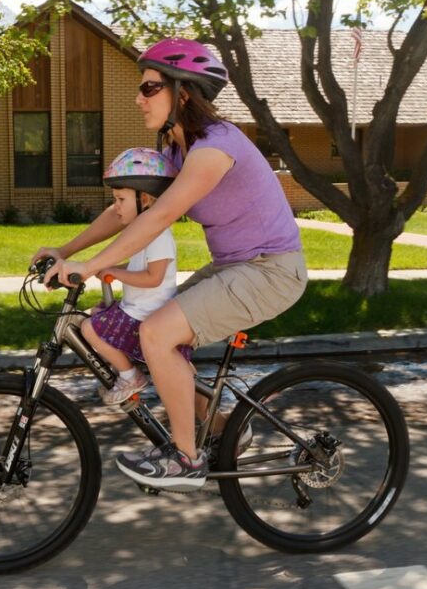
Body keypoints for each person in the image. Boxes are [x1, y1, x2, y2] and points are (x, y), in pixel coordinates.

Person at [33, 38, 306, 492]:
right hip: (236, 268)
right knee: (155, 337)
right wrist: (65, 251)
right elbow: (132, 207)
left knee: (156, 333)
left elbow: (159, 216)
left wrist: (93, 265)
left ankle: (187, 459)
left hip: (271, 270)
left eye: (149, 88)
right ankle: (221, 428)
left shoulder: (214, 148)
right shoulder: (177, 152)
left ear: (183, 93)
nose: (138, 98)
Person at [80, 148, 193, 407]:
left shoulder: (159, 236)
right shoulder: (142, 233)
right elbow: (138, 266)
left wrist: (115, 271)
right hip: (138, 308)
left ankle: (130, 376)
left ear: (145, 200)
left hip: (147, 314)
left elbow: (154, 277)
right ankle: (124, 371)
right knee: (90, 316)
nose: (115, 206)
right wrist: (110, 267)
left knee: (90, 328)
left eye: (120, 200)